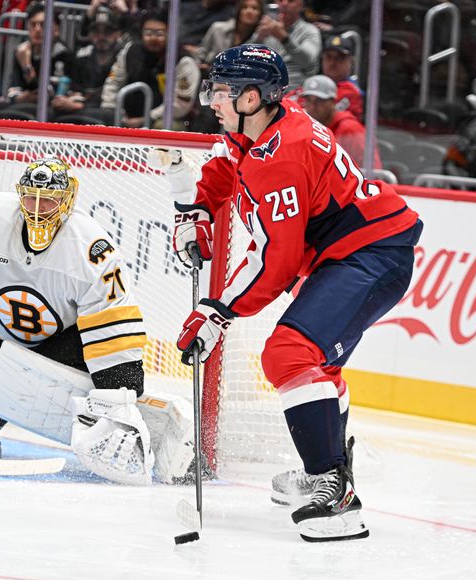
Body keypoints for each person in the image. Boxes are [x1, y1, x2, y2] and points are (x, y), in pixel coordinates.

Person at [163, 44, 421, 542]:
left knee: (289, 352)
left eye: (221, 92)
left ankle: (335, 492)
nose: (211, 101)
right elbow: (227, 159)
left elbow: (275, 263)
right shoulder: (261, 127)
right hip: (355, 252)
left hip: (372, 255)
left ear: (252, 97)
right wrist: (197, 208)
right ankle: (326, 471)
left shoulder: (281, 157)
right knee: (315, 364)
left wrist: (217, 310)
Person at [0, 157, 193, 485]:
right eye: (30, 196)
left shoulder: (90, 250)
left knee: (106, 416)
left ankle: (182, 456)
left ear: (67, 201)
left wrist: (120, 399)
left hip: (65, 345)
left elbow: (114, 333)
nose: (37, 207)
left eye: (48, 199)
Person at [100, 10, 200, 129]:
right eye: (148, 33)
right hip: (126, 116)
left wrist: (146, 118)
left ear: (170, 34)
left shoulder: (183, 61)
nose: (153, 38)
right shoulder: (130, 51)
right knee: (101, 116)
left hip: (165, 119)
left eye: (159, 34)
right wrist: (111, 107)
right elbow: (113, 81)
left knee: (163, 126)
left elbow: (180, 104)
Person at [0, 2, 74, 117]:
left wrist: (26, 66)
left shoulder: (64, 54)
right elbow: (12, 87)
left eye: (43, 25)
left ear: (56, 29)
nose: (37, 29)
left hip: (51, 108)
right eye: (33, 24)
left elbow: (50, 94)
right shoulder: (21, 51)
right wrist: (18, 98)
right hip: (23, 103)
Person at [52, 7, 124, 121]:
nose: (101, 37)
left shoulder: (123, 58)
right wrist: (71, 99)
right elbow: (74, 85)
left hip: (110, 109)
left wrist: (82, 105)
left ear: (118, 34)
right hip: (81, 105)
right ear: (89, 34)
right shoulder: (81, 56)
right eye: (96, 31)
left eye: (107, 32)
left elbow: (114, 92)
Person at [299, 75, 378, 168]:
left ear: (333, 101)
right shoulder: (306, 129)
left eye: (319, 101)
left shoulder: (350, 129)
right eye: (308, 100)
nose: (313, 106)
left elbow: (373, 170)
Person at [253, 0, 320, 90]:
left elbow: (308, 61)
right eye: (280, 0)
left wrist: (284, 39)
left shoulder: (310, 30)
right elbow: (244, 58)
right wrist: (258, 39)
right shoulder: (267, 27)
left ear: (302, 5)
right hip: (263, 89)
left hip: (296, 92)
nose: (284, 4)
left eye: (291, 0)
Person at [196, 0, 265, 73]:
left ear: (261, 14)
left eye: (254, 8)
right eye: (245, 7)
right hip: (210, 75)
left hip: (239, 80)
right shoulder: (217, 29)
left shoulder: (261, 39)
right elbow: (201, 54)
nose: (249, 11)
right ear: (239, 11)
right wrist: (200, 67)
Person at [318, 34, 363, 121]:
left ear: (350, 62)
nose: (333, 62)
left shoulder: (352, 91)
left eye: (340, 58)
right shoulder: (312, 84)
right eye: (329, 57)